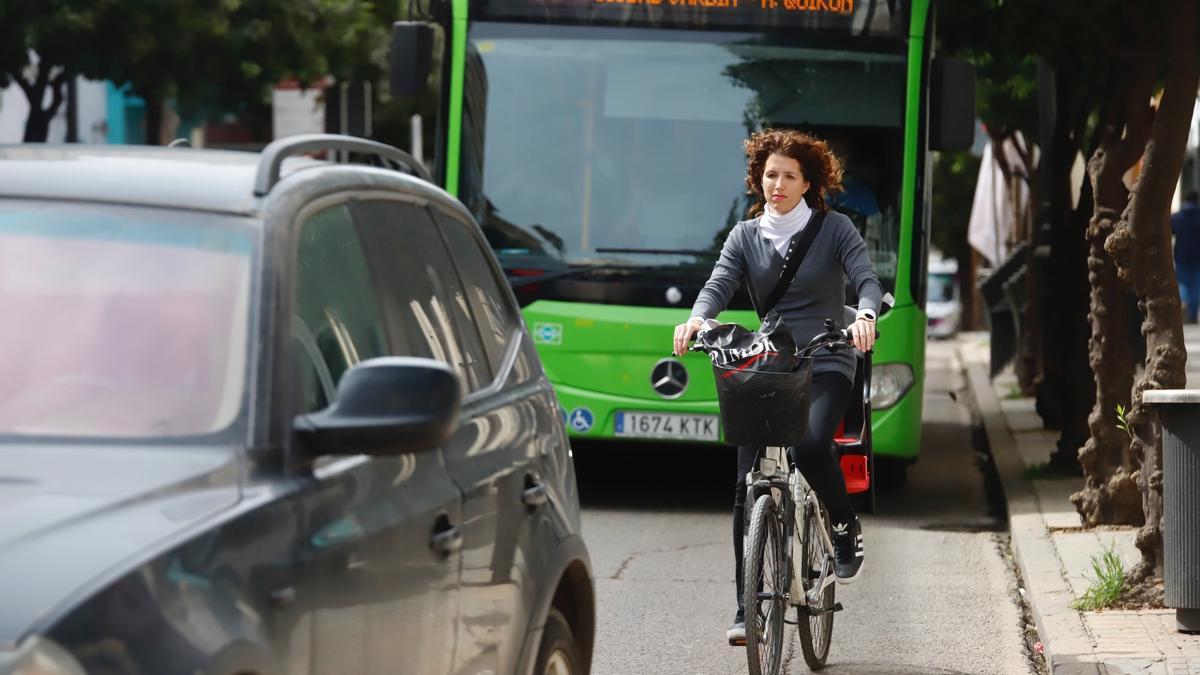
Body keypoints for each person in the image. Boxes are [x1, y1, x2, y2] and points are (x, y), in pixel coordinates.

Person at [671, 129, 883, 645]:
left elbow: (865, 279)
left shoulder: (834, 229)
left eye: (789, 176)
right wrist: (698, 319)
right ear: (758, 179)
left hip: (829, 356)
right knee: (747, 485)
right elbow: (718, 284)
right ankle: (746, 608)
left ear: (808, 182)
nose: (778, 184)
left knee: (811, 444)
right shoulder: (744, 237)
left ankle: (842, 527)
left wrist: (867, 315)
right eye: (770, 175)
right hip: (772, 359)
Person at [1172, 191, 1200, 323]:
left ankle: (1185, 303)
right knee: (1196, 286)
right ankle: (1193, 314)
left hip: (1181, 257)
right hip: (1197, 257)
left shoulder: (1176, 217)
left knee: (1182, 284)